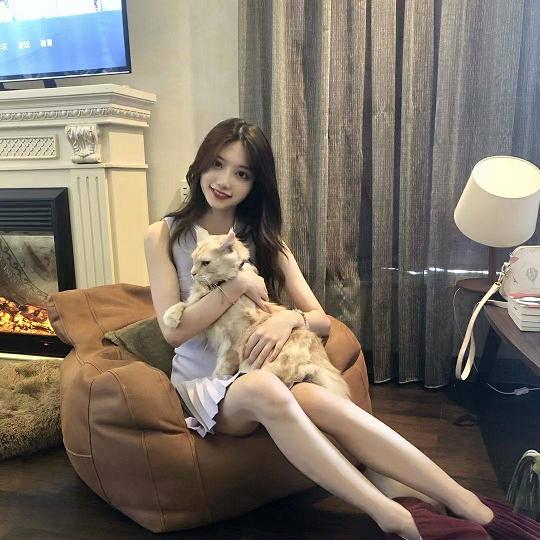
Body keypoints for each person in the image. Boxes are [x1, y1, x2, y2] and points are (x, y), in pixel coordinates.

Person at [144, 118, 539, 540]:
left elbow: (319, 317)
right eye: (217, 164)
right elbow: (174, 332)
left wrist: (288, 318)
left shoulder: (264, 239)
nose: (224, 181)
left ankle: (469, 504)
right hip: (210, 383)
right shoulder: (163, 235)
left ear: (255, 184)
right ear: (201, 162)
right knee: (265, 389)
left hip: (264, 367)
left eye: (242, 173)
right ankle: (392, 516)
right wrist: (237, 284)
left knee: (321, 399)